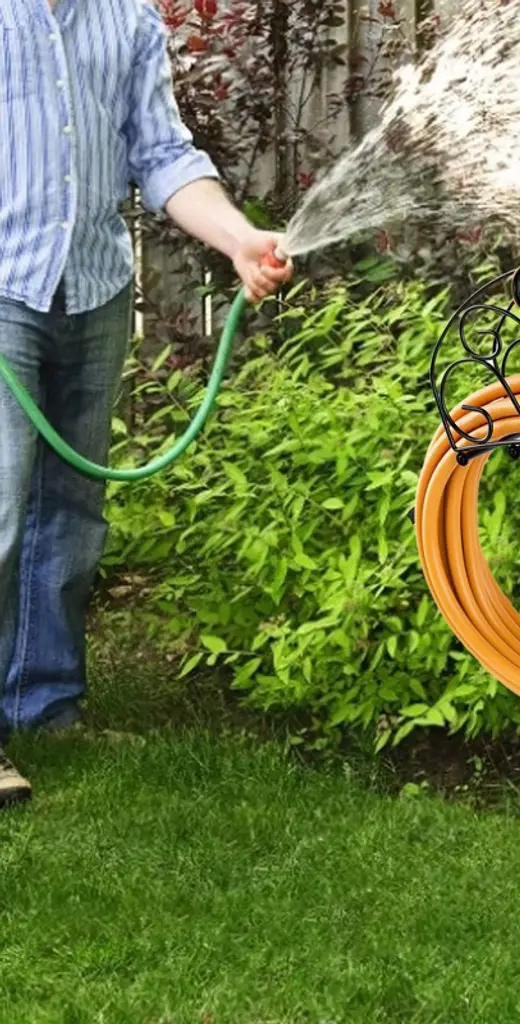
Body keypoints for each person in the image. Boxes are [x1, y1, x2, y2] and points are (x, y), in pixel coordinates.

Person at [0, 0, 294, 808]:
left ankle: (42, 704)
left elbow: (162, 154)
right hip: (5, 289)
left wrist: (237, 238)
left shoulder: (127, 19)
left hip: (92, 289)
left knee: (70, 513)